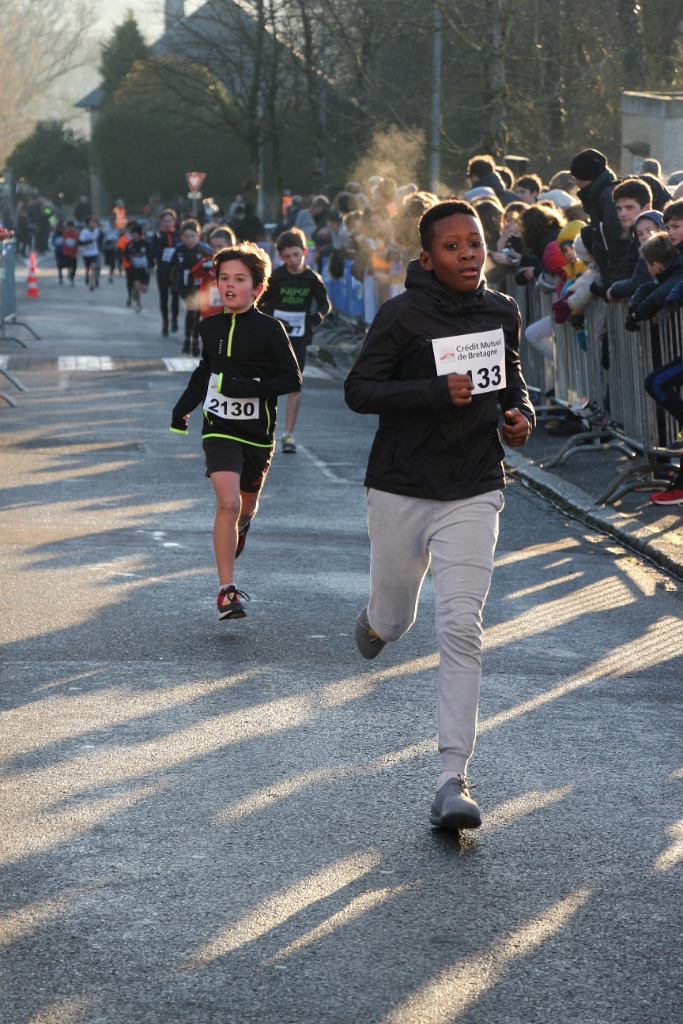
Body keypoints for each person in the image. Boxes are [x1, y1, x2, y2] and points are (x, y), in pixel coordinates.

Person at [344, 200, 534, 830]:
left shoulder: (500, 311)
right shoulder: (402, 315)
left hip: (474, 486)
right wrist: (433, 391)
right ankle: (377, 619)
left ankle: (453, 778)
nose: (468, 254)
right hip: (401, 486)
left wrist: (520, 417)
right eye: (452, 247)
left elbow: (511, 381)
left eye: (474, 242)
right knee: (396, 622)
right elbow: (358, 390)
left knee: (460, 626)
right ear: (427, 259)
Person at [170, 243, 302, 619]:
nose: (230, 285)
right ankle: (227, 592)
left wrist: (244, 387)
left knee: (244, 507)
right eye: (224, 278)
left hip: (257, 433)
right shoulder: (209, 326)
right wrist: (183, 407)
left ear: (257, 288)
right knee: (227, 503)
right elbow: (206, 371)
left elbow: (291, 380)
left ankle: (243, 526)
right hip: (219, 427)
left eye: (239, 279)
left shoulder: (271, 329)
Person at [259, 227, 332, 453]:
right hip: (274, 337)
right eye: (287, 256)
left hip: (299, 338)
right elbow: (258, 302)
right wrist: (270, 317)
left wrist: (317, 316)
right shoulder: (276, 277)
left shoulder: (312, 279)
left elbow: (325, 304)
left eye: (296, 255)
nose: (292, 260)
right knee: (269, 384)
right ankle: (266, 431)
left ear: (304, 252)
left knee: (294, 386)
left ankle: (288, 435)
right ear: (280, 256)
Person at [569, 148, 631, 293]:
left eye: (576, 176)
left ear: (585, 176)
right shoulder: (600, 195)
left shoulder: (607, 197)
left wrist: (613, 283)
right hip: (613, 277)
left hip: (617, 278)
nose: (575, 182)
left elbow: (617, 242)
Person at [605, 178, 655, 301]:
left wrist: (614, 290)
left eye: (629, 207)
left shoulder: (652, 236)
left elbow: (640, 280)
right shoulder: (632, 236)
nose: (622, 214)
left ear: (646, 207)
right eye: (619, 208)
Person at [169, 219, 212, 355]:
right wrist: (173, 282)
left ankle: (195, 340)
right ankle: (188, 339)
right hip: (185, 286)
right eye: (186, 237)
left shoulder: (204, 250)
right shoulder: (179, 250)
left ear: (198, 236)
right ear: (182, 237)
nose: (189, 240)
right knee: (191, 310)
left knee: (198, 313)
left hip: (201, 286)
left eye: (192, 236)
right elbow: (171, 267)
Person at [189, 226, 237, 320]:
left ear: (231, 246)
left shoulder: (239, 266)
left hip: (230, 315)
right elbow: (191, 277)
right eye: (213, 246)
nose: (216, 250)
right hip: (208, 315)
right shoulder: (206, 264)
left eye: (220, 246)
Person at [151, 209, 180, 337]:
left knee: (175, 294)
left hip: (176, 270)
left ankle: (174, 318)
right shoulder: (157, 236)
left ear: (174, 222)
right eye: (165, 221)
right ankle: (165, 321)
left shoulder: (179, 235)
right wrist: (161, 248)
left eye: (170, 221)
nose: (167, 224)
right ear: (161, 222)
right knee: (164, 297)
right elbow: (152, 253)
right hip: (163, 270)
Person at [124, 223, 152, 312]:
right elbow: (125, 254)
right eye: (132, 233)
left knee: (143, 290)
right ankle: (138, 304)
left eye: (135, 233)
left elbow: (150, 255)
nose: (134, 235)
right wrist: (129, 260)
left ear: (139, 234)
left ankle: (140, 289)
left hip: (144, 269)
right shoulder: (129, 245)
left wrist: (151, 264)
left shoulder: (145, 244)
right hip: (134, 269)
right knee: (136, 286)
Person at [101, 215, 120, 284]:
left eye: (114, 222)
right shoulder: (105, 230)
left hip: (113, 248)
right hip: (107, 247)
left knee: (113, 263)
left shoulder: (116, 230)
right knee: (108, 262)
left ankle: (110, 276)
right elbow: (103, 239)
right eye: (112, 222)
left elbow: (118, 239)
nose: (113, 224)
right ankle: (106, 261)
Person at [61, 220, 80, 285]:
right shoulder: (65, 233)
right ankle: (69, 271)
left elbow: (78, 241)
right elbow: (63, 241)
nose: (71, 228)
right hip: (67, 252)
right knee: (68, 263)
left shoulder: (76, 233)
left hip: (74, 253)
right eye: (69, 227)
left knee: (74, 267)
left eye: (72, 227)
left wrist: (76, 239)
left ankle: (72, 277)